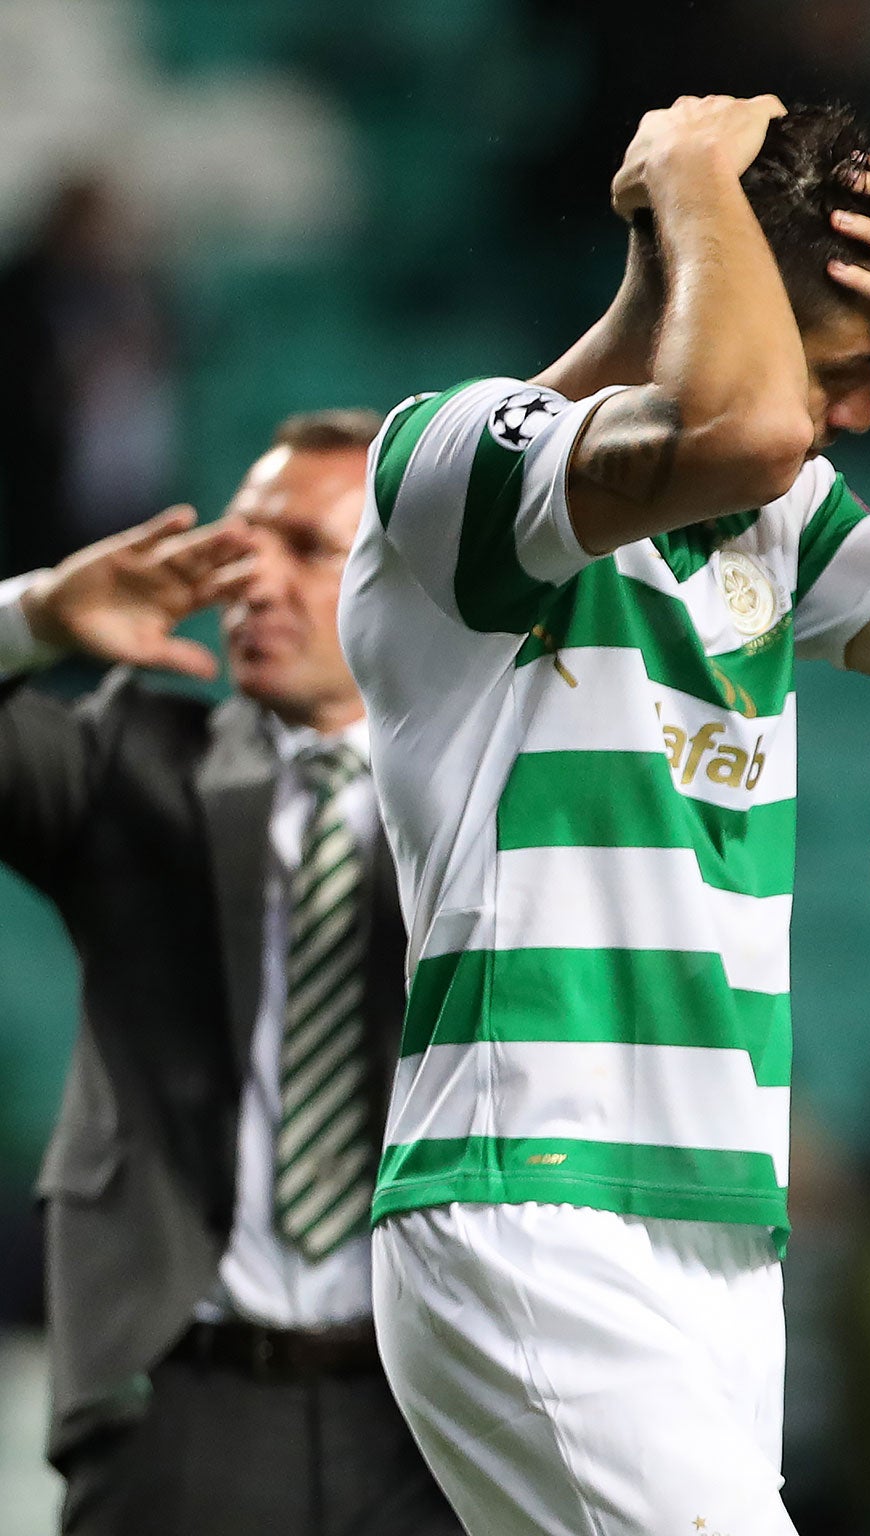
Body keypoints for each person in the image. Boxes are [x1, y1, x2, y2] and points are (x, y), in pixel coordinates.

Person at [339, 96, 870, 1536]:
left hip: (719, 1223)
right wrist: (683, 179)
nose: (853, 417)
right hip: (528, 1186)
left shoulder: (772, 523)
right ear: (711, 282)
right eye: (848, 373)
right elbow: (737, 421)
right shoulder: (449, 459)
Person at [0, 412, 460, 1536]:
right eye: (239, 543)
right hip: (183, 1412)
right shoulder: (134, 757)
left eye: (305, 549)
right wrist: (40, 615)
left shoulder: (483, 804)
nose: (252, 578)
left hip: (432, 1414)